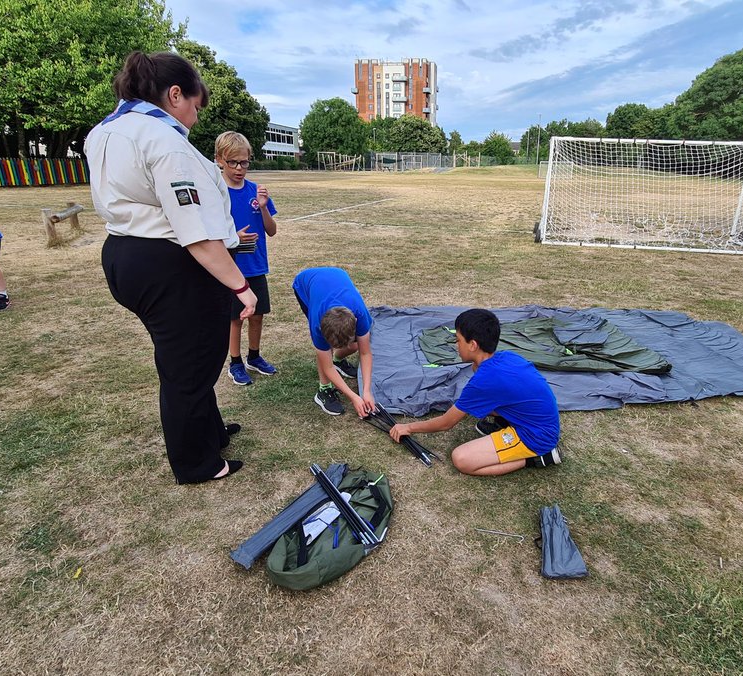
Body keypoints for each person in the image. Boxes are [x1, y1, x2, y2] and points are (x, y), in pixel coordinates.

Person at [85, 51, 258, 485]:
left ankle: (210, 433)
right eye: (195, 107)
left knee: (186, 358)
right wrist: (240, 286)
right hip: (168, 263)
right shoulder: (161, 139)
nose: (196, 118)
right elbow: (195, 231)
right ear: (174, 93)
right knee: (190, 367)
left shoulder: (104, 131)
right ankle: (195, 463)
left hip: (126, 254)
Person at [389, 309, 562, 476]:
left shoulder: (484, 381)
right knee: (481, 401)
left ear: (472, 345)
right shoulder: (507, 356)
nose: (456, 345)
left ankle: (539, 458)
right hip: (541, 419)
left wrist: (408, 427)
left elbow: (446, 423)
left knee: (462, 459)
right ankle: (504, 424)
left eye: (458, 340)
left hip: (537, 436)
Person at [213, 131, 279, 386]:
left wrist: (263, 206)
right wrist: (234, 239)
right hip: (230, 269)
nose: (240, 168)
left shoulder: (255, 191)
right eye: (233, 162)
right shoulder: (216, 193)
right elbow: (211, 236)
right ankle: (236, 362)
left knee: (258, 315)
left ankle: (254, 356)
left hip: (256, 266)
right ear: (220, 159)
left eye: (244, 162)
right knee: (235, 319)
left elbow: (271, 230)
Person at [291, 267, 375, 417]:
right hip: (305, 283)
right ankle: (324, 389)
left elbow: (365, 352)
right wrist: (353, 397)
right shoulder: (317, 323)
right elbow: (327, 367)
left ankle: (338, 361)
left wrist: (366, 391)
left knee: (357, 345)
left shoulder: (360, 314)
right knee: (324, 352)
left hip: (336, 276)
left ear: (355, 322)